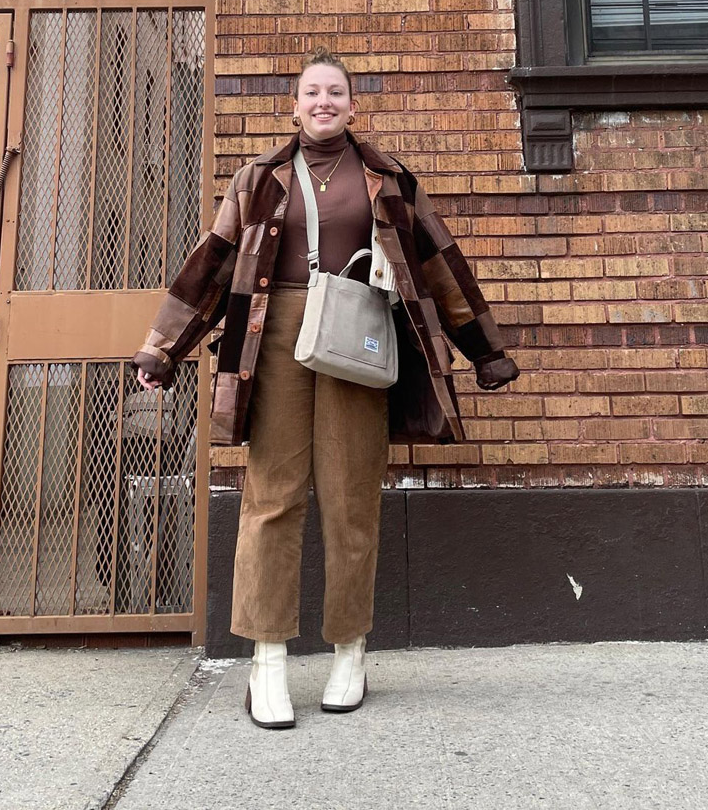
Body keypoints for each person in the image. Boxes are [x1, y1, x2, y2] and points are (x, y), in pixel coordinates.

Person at [134, 48, 519, 730]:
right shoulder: (259, 178)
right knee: (271, 498)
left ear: (351, 104)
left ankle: (350, 650)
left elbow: (439, 265)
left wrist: (484, 350)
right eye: (312, 91)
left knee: (350, 499)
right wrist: (162, 348)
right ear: (295, 103)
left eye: (335, 92)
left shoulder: (389, 179)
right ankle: (268, 661)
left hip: (355, 336)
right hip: (270, 337)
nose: (324, 102)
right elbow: (211, 266)